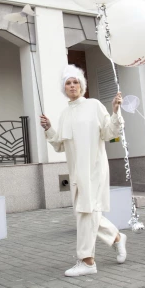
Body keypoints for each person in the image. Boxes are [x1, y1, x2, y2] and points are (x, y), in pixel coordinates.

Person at [39, 65, 127, 277]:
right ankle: (116, 237)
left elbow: (109, 132)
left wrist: (115, 112)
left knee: (86, 212)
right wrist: (49, 128)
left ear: (82, 85)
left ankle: (86, 261)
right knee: (85, 211)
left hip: (95, 168)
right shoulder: (64, 114)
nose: (72, 86)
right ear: (64, 88)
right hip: (77, 172)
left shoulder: (94, 105)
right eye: (68, 83)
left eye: (75, 81)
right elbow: (59, 145)